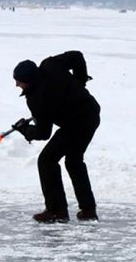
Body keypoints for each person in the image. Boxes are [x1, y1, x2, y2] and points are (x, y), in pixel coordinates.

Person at [12, 51, 100, 223]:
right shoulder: (50, 65)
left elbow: (43, 133)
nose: (17, 84)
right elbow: (77, 56)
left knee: (47, 160)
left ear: (28, 81)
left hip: (76, 123)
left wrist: (25, 130)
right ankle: (88, 209)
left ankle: (56, 210)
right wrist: (80, 82)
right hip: (91, 113)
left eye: (19, 81)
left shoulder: (37, 99)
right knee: (74, 161)